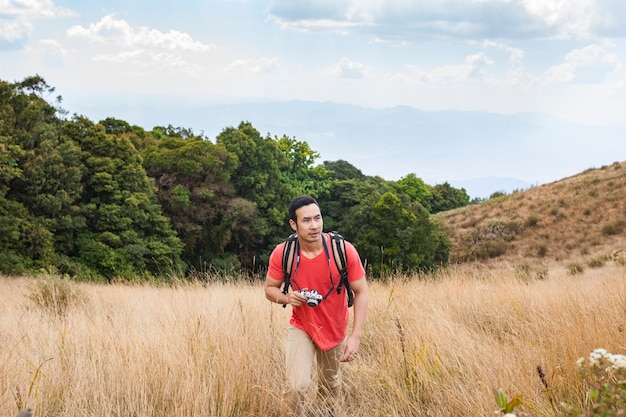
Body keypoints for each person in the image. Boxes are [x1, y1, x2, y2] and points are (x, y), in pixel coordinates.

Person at [265, 195, 369, 417]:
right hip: (302, 324)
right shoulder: (284, 253)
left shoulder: (344, 250)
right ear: (293, 224)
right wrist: (287, 298)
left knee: (329, 385)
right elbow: (270, 289)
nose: (314, 225)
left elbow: (361, 292)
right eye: (306, 220)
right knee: (296, 386)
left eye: (317, 218)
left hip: (334, 328)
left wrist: (355, 336)